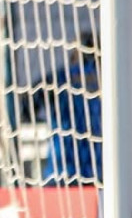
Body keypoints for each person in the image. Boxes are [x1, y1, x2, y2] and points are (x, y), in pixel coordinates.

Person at [39, 31, 102, 185]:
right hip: (97, 171)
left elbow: (28, 104)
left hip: (62, 169)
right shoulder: (107, 79)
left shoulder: (59, 78)